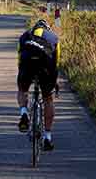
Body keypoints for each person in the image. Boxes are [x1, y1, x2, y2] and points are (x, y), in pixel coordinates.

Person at [16, 19, 60, 151]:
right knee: (48, 99)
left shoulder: (25, 35)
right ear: (47, 29)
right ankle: (47, 137)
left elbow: (19, 59)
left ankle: (24, 113)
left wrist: (23, 77)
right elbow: (56, 62)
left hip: (27, 65)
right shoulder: (53, 37)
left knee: (22, 90)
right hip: (46, 68)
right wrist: (55, 82)